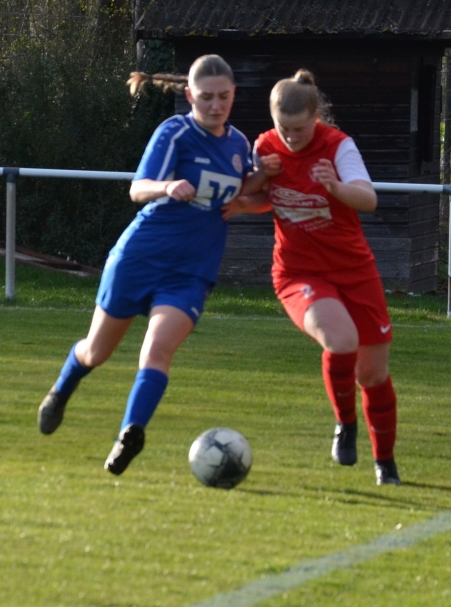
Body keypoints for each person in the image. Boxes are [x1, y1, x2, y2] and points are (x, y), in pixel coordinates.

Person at [37, 54, 258, 474]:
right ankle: (62, 389)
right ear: (190, 94)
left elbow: (252, 193)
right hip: (140, 257)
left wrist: (255, 196)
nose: (216, 105)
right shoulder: (175, 132)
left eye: (224, 97)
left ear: (234, 95)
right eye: (207, 97)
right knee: (96, 351)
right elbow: (138, 189)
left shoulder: (239, 144)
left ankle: (129, 434)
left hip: (191, 272)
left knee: (157, 350)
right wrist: (167, 186)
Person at [232, 70, 402, 486]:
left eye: (299, 128)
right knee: (341, 340)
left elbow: (369, 199)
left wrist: (334, 186)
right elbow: (261, 199)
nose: (290, 137)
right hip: (298, 273)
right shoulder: (265, 146)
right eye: (282, 128)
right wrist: (253, 184)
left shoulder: (338, 147)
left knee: (373, 375)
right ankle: (345, 424)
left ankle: (386, 463)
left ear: (316, 117)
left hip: (354, 270)